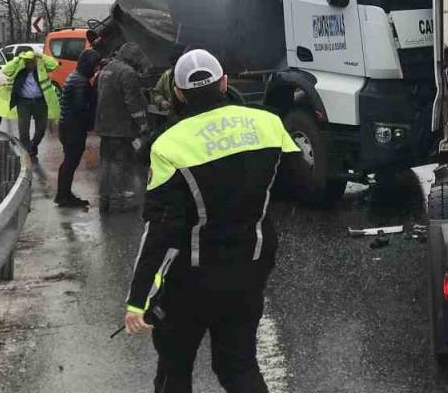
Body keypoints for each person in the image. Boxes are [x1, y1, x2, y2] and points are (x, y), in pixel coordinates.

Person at [122, 49, 301, 392]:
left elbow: (161, 230)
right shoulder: (268, 123)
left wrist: (138, 298)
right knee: (240, 368)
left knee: (174, 371)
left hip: (190, 282)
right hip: (249, 271)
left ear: (177, 92)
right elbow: (295, 186)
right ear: (224, 82)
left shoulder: (168, 143)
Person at [94, 41, 151, 212]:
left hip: (105, 125)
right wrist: (142, 124)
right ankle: (119, 200)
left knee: (106, 162)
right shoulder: (127, 72)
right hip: (121, 127)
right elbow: (132, 102)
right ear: (132, 57)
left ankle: (105, 199)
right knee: (121, 163)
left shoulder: (107, 68)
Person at [0, 48, 59, 158]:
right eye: (28, 61)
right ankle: (26, 153)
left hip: (40, 102)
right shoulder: (18, 68)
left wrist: (40, 56)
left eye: (32, 61)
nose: (30, 64)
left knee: (41, 129)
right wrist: (18, 59)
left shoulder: (41, 67)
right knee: (24, 131)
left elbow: (54, 64)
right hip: (24, 102)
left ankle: (33, 145)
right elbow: (6, 70)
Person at [55, 49, 100, 208]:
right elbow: (81, 107)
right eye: (94, 66)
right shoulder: (80, 81)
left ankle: (64, 194)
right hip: (73, 128)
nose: (95, 69)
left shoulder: (75, 76)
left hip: (67, 126)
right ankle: (63, 196)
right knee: (70, 162)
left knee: (69, 162)